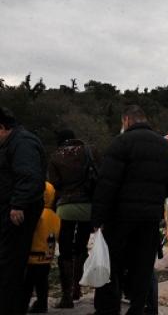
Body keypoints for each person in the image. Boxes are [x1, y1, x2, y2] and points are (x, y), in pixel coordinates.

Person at [91, 105, 168, 315]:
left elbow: (107, 184)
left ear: (126, 121)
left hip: (119, 218)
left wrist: (98, 218)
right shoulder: (165, 146)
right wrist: (157, 198)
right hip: (149, 219)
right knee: (142, 268)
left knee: (112, 266)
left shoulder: (120, 143)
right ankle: (139, 309)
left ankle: (109, 309)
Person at [0, 106, 47, 315]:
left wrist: (18, 204)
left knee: (10, 265)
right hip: (11, 210)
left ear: (2, 128)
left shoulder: (22, 142)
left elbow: (29, 177)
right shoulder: (13, 142)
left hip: (18, 214)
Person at [48, 128, 100, 308]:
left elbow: (54, 185)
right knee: (81, 247)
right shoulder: (88, 151)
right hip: (87, 207)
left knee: (65, 251)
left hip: (65, 208)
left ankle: (66, 296)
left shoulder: (56, 156)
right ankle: (78, 288)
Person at [23, 181, 61, 313]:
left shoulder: (37, 214)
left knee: (27, 285)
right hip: (46, 258)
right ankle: (42, 304)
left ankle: (22, 305)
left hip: (32, 257)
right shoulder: (56, 217)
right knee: (42, 284)